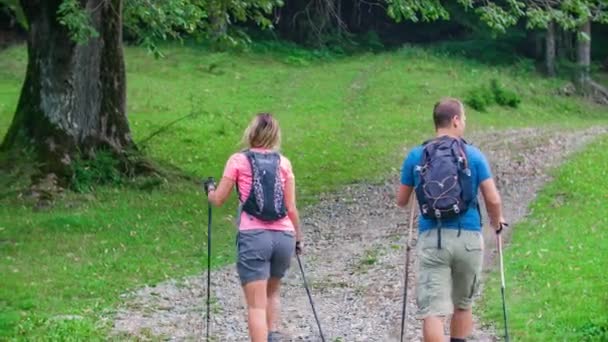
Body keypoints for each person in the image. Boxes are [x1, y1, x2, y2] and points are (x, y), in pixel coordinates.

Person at [396, 98, 507, 342]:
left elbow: (402, 200)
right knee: (463, 305)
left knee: (433, 312)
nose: (464, 123)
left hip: (432, 239)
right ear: (455, 120)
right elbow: (493, 200)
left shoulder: (416, 156)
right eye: (464, 118)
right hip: (468, 239)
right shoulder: (473, 155)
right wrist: (496, 223)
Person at [205, 113, 303, 342]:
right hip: (284, 238)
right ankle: (272, 336)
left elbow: (218, 199)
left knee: (256, 306)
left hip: (254, 237)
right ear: (275, 135)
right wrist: (298, 239)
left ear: (251, 133)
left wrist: (209, 190)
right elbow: (291, 207)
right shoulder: (284, 163)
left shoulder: (238, 161)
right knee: (272, 294)